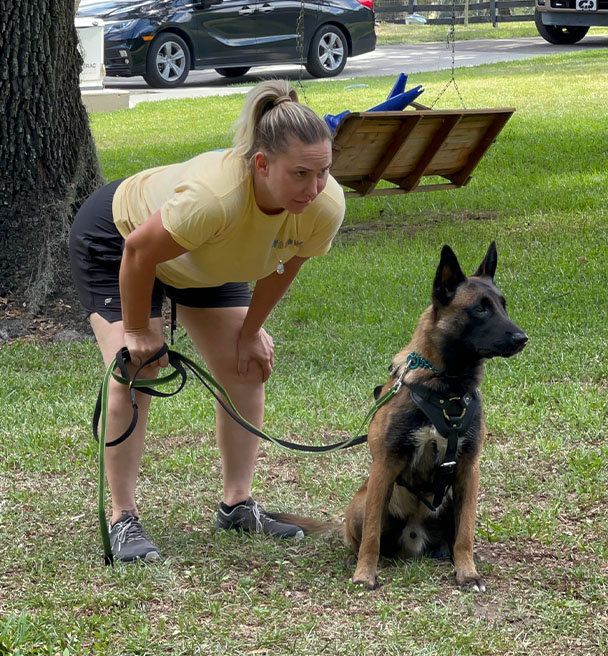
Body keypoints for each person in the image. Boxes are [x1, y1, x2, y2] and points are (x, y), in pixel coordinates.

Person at [69, 80, 345, 563]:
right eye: (300, 174)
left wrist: (250, 330)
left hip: (205, 258)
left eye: (323, 172)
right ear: (261, 164)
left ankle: (237, 504)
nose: (314, 187)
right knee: (137, 369)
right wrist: (138, 332)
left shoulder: (322, 206)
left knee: (247, 366)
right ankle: (122, 518)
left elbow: (288, 264)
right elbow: (139, 252)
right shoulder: (215, 198)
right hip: (122, 238)